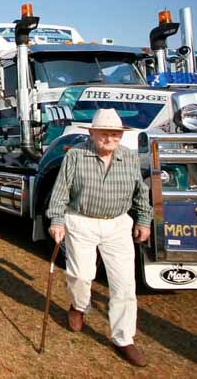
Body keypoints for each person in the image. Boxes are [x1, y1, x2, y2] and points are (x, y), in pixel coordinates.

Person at [46, 108, 152, 367]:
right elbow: (60, 192)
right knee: (81, 275)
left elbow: (141, 192)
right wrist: (57, 220)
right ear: (92, 134)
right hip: (81, 221)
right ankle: (79, 306)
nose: (110, 138)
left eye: (115, 134)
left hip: (117, 225)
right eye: (104, 133)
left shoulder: (129, 158)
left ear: (121, 136)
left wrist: (143, 220)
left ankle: (124, 339)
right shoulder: (76, 156)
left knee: (124, 285)